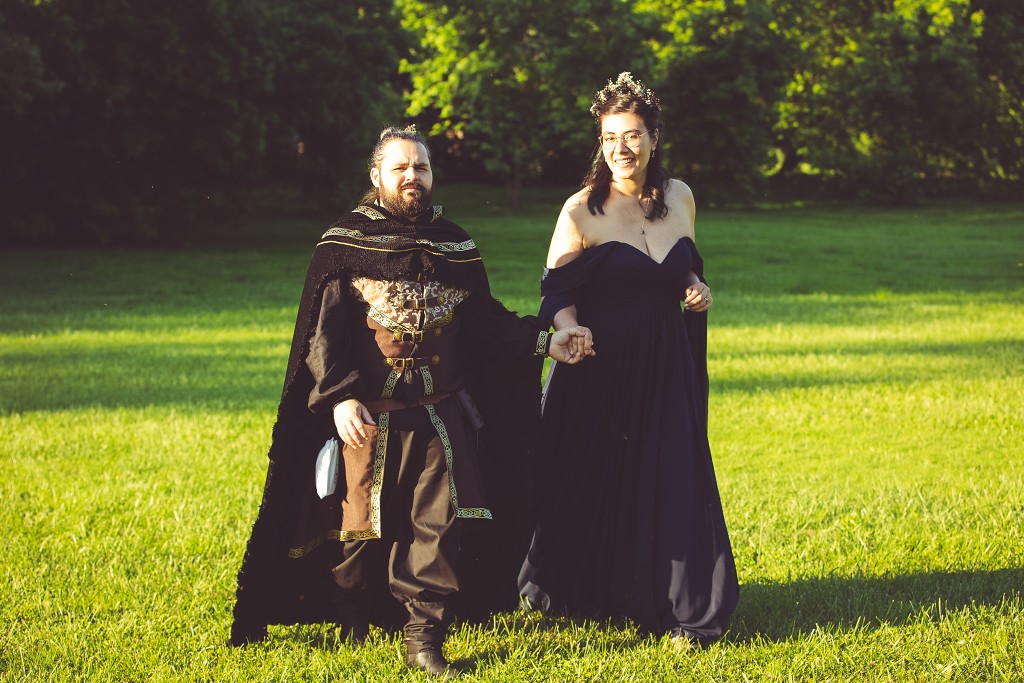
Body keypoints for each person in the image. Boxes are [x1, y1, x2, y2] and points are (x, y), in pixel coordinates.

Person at [229, 126, 594, 676]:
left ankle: (424, 640)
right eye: (399, 167)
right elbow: (323, 335)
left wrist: (545, 341)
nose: (411, 177)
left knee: (437, 527)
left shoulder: (454, 245)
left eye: (420, 167)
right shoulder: (346, 243)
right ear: (376, 174)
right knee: (356, 530)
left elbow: (485, 325)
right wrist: (339, 399)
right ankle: (354, 622)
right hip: (366, 419)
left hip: (439, 418)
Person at [518, 73, 739, 648]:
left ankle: (685, 608)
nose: (621, 148)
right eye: (610, 137)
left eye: (633, 135)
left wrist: (695, 288)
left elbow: (683, 265)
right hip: (602, 369)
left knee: (673, 473)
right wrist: (571, 329)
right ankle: (591, 591)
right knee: (596, 478)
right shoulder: (580, 211)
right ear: (600, 142)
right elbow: (555, 296)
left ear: (654, 138)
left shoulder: (681, 197)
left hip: (667, 365)